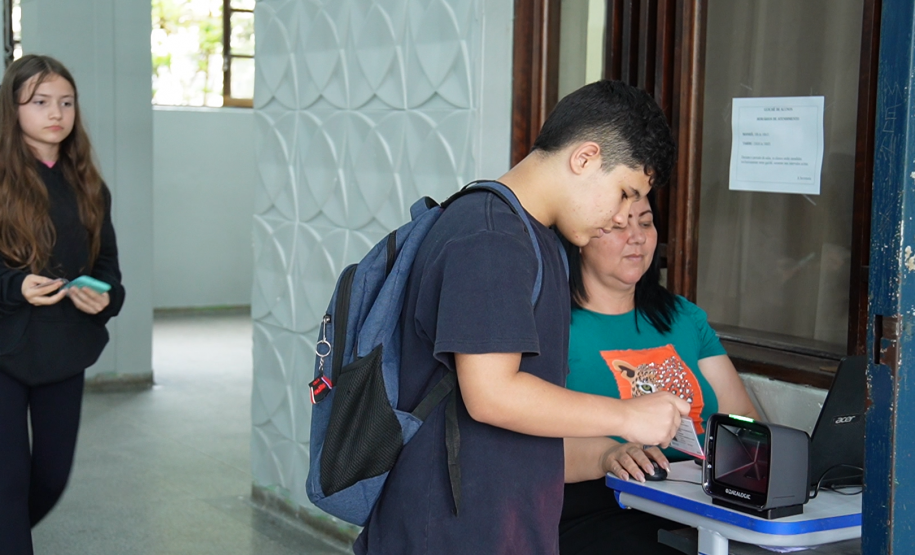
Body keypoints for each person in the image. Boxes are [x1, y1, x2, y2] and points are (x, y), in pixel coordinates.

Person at [354, 80, 690, 555]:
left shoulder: (533, 237)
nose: (621, 218)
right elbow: (492, 394)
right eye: (623, 193)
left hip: (494, 522)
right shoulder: (491, 238)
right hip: (452, 532)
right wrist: (627, 416)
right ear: (585, 158)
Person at [560, 194, 759, 554]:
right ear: (579, 237)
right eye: (617, 225)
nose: (636, 236)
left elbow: (745, 422)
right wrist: (607, 455)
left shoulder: (682, 316)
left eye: (645, 221)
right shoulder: (552, 325)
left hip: (702, 503)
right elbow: (521, 447)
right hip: (602, 507)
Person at [0, 54, 125, 555]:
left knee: (48, 480)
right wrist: (15, 286)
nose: (57, 112)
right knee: (8, 484)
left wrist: (105, 297)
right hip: (4, 348)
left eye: (66, 102)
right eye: (41, 102)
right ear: (13, 110)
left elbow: (109, 267)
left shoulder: (89, 186)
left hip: (63, 351)